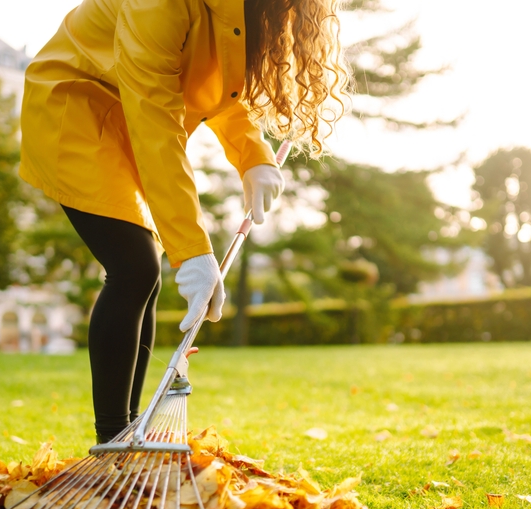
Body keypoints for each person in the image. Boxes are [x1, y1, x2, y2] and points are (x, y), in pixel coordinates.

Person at [21, 0, 348, 443]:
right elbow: (155, 117)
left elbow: (218, 94)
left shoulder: (246, 11)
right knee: (135, 268)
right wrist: (193, 253)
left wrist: (254, 157)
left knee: (144, 276)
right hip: (75, 104)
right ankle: (112, 437)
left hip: (127, 120)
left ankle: (127, 432)